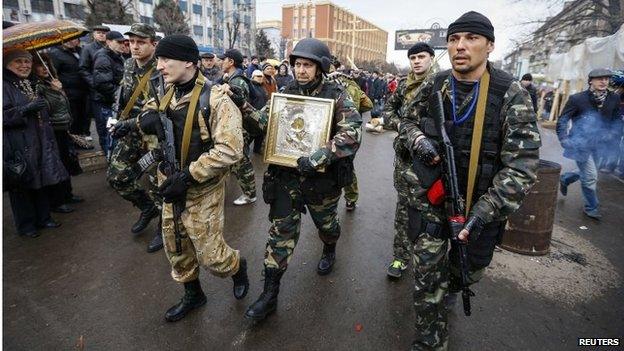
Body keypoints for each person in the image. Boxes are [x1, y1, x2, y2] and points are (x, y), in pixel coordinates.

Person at [400, 12, 541, 349]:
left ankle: (447, 295)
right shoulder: (435, 85)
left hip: (481, 208)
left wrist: (482, 213)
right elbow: (405, 122)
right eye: (453, 39)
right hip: (433, 203)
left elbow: (522, 166)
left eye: (471, 38)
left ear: (489, 45)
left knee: (466, 272)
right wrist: (418, 140)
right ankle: (429, 339)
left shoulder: (511, 94)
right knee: (426, 281)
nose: (460, 47)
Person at [242, 38, 362, 321]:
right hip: (286, 179)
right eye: (297, 64)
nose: (300, 69)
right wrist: (242, 106)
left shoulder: (338, 94)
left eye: (307, 64)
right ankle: (269, 295)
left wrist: (319, 157)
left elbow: (352, 133)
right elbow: (263, 123)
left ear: (319, 67)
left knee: (327, 225)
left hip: (321, 181)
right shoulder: (286, 92)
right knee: (279, 236)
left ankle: (330, 247)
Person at [134, 35, 249, 322]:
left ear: (188, 61)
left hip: (201, 188)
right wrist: (144, 118)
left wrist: (189, 175)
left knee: (213, 257)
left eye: (165, 60)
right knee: (176, 248)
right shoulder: (166, 90)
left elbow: (230, 149)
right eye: (158, 59)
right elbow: (150, 106)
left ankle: (237, 266)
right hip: (170, 185)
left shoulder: (217, 99)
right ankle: (193, 294)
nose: (159, 66)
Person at [107, 23, 163, 252]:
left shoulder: (162, 68)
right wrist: (116, 115)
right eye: (131, 42)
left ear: (153, 44)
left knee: (159, 183)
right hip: (129, 130)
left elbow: (160, 109)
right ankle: (147, 207)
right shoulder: (128, 64)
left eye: (141, 42)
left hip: (154, 134)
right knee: (117, 176)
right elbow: (124, 92)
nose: (135, 46)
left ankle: (163, 226)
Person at [382, 42, 435, 279]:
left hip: (432, 163)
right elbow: (387, 112)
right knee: (404, 210)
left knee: (431, 213)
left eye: (421, 56)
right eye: (412, 57)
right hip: (405, 160)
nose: (416, 61)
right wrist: (404, 127)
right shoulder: (404, 85)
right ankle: (400, 258)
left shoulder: (443, 84)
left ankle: (427, 260)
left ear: (431, 58)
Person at [3, 49, 68, 237]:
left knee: (39, 177)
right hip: (16, 143)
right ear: (7, 64)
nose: (25, 65)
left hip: (37, 139)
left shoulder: (28, 82)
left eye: (27, 61)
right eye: (19, 62)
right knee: (21, 183)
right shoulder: (4, 85)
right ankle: (26, 225)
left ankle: (43, 217)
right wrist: (24, 110)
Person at [557, 68, 620, 219]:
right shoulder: (577, 99)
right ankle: (591, 207)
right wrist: (563, 138)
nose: (604, 81)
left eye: (606, 79)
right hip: (580, 144)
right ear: (591, 81)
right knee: (591, 176)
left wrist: (613, 133)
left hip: (601, 145)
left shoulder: (614, 98)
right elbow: (563, 119)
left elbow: (617, 119)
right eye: (600, 78)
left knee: (589, 172)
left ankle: (565, 178)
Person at [32, 54, 83, 214]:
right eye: (40, 65)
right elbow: (45, 109)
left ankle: (67, 194)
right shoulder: (37, 86)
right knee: (56, 164)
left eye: (46, 63)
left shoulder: (51, 81)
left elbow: (63, 105)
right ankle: (57, 200)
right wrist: (56, 92)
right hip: (51, 130)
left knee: (66, 161)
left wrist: (60, 91)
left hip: (62, 128)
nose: (44, 67)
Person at [327, 55, 373, 211]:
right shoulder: (352, 85)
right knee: (347, 166)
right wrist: (356, 111)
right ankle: (351, 199)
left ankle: (328, 201)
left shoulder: (326, 82)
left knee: (327, 165)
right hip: (351, 133)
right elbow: (368, 104)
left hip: (330, 131)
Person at [218, 49, 258, 206]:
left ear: (231, 62)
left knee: (241, 163)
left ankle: (250, 194)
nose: (221, 62)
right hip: (236, 127)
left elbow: (238, 104)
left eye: (224, 59)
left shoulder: (237, 81)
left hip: (239, 128)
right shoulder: (234, 78)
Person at [49, 38, 91, 148]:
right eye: (68, 39)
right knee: (73, 118)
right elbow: (53, 73)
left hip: (83, 91)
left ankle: (80, 140)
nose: (71, 41)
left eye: (74, 39)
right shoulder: (56, 54)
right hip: (69, 92)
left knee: (82, 117)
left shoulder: (80, 51)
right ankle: (73, 142)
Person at [92, 31, 126, 155]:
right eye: (119, 42)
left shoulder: (117, 56)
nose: (122, 45)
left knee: (114, 131)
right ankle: (110, 158)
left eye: (123, 42)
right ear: (108, 42)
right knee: (109, 133)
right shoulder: (103, 57)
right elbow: (102, 84)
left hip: (113, 103)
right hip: (105, 104)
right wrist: (119, 96)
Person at [79, 25, 110, 139]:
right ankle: (104, 146)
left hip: (110, 90)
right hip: (96, 92)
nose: (102, 34)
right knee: (101, 121)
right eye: (99, 32)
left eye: (104, 32)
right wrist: (94, 83)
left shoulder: (110, 47)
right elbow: (83, 69)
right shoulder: (88, 48)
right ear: (93, 34)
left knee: (112, 120)